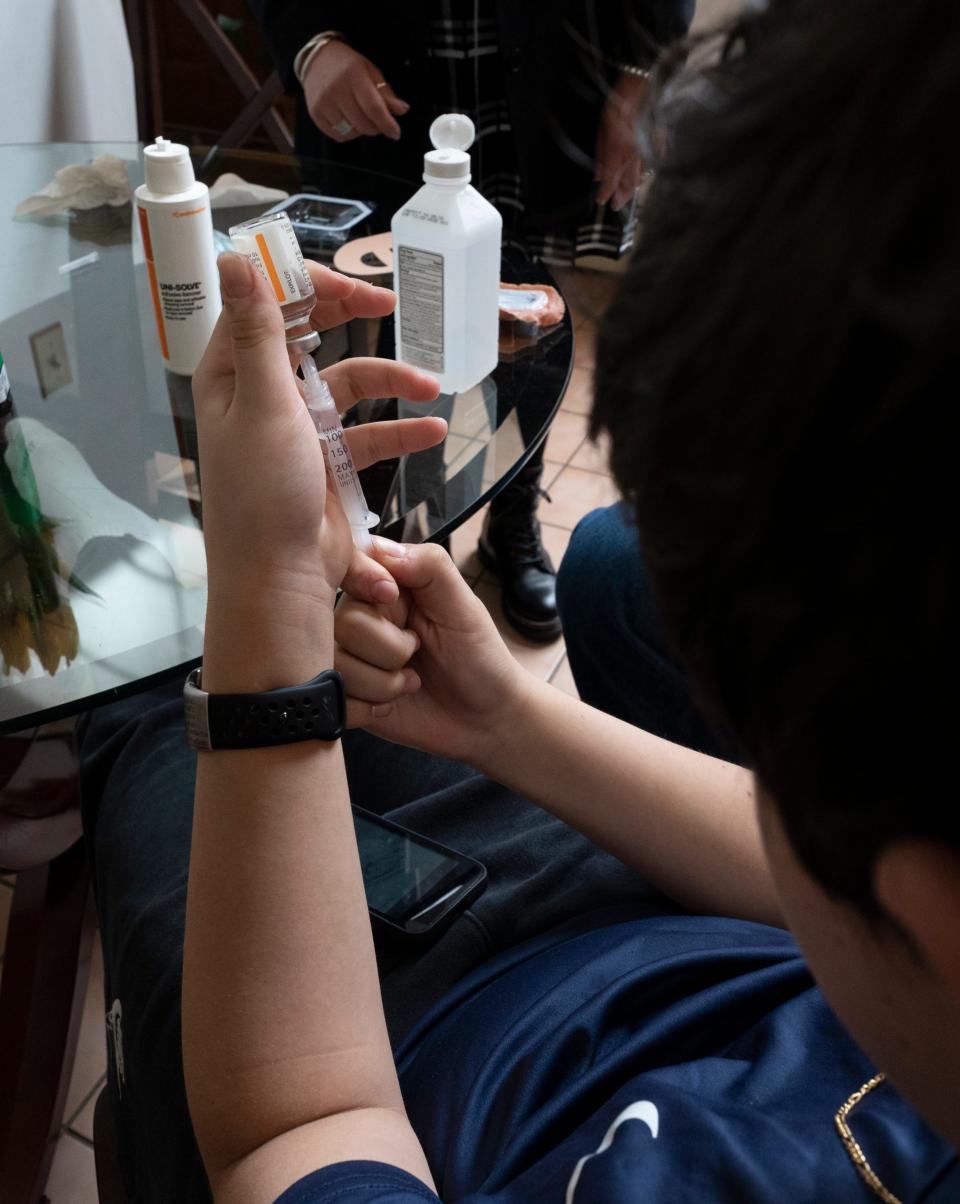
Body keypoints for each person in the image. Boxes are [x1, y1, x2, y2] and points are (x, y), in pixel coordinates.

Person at [78, 0, 959, 1201]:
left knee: (141, 726)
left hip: (371, 1054)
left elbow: (302, 1130)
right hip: (637, 896)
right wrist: (504, 716)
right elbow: (794, 858)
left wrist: (263, 595)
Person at [245, 1, 692, 641]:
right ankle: (422, 535)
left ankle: (512, 520)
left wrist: (645, 68)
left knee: (523, 312)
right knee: (395, 314)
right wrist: (309, 43)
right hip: (378, 76)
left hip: (551, 64)